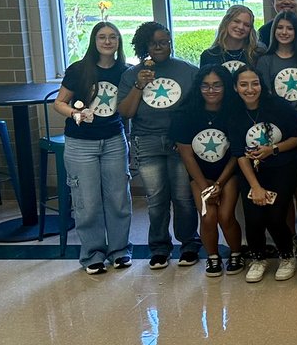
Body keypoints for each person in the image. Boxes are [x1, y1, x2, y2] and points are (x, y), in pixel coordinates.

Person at [118, 22, 200, 269]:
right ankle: (160, 248)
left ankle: (188, 245)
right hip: (146, 140)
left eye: (165, 42)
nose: (161, 47)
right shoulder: (132, 74)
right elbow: (126, 112)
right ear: (145, 47)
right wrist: (139, 86)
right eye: (155, 43)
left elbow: (198, 107)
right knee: (156, 199)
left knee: (183, 198)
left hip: (179, 142)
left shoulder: (187, 71)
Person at [53, 22, 132, 275]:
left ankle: (120, 251)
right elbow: (59, 103)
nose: (107, 42)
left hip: (114, 140)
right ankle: (92, 254)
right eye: (102, 37)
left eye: (112, 37)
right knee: (87, 201)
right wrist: (76, 113)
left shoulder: (125, 71)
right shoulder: (79, 69)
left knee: (118, 198)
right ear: (94, 41)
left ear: (119, 42)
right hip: (80, 143)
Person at [255, 12, 297, 249]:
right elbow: (265, 98)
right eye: (280, 28)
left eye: (289, 28)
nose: (284, 32)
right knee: (282, 190)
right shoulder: (265, 61)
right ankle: (289, 238)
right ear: (274, 32)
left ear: (296, 32)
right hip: (278, 133)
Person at [229, 66, 297, 282]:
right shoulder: (233, 114)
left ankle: (287, 256)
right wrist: (255, 186)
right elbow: (239, 154)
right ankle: (257, 258)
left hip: (282, 169)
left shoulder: (279, 107)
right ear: (235, 87)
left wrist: (273, 149)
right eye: (243, 84)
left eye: (255, 83)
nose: (250, 89)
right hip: (251, 173)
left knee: (275, 216)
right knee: (253, 218)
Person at [172, 65, 243, 277]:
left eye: (216, 85)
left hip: (228, 173)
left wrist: (219, 184)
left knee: (225, 215)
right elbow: (186, 155)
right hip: (200, 175)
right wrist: (205, 187)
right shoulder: (186, 113)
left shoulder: (235, 111)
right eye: (205, 86)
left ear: (226, 87)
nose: (211, 90)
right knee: (208, 217)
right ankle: (212, 257)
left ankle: (236, 253)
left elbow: (236, 153)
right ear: (198, 88)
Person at [200, 5, 263, 73]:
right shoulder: (209, 55)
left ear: (250, 29)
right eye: (236, 21)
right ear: (226, 22)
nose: (241, 27)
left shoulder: (258, 54)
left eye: (246, 25)